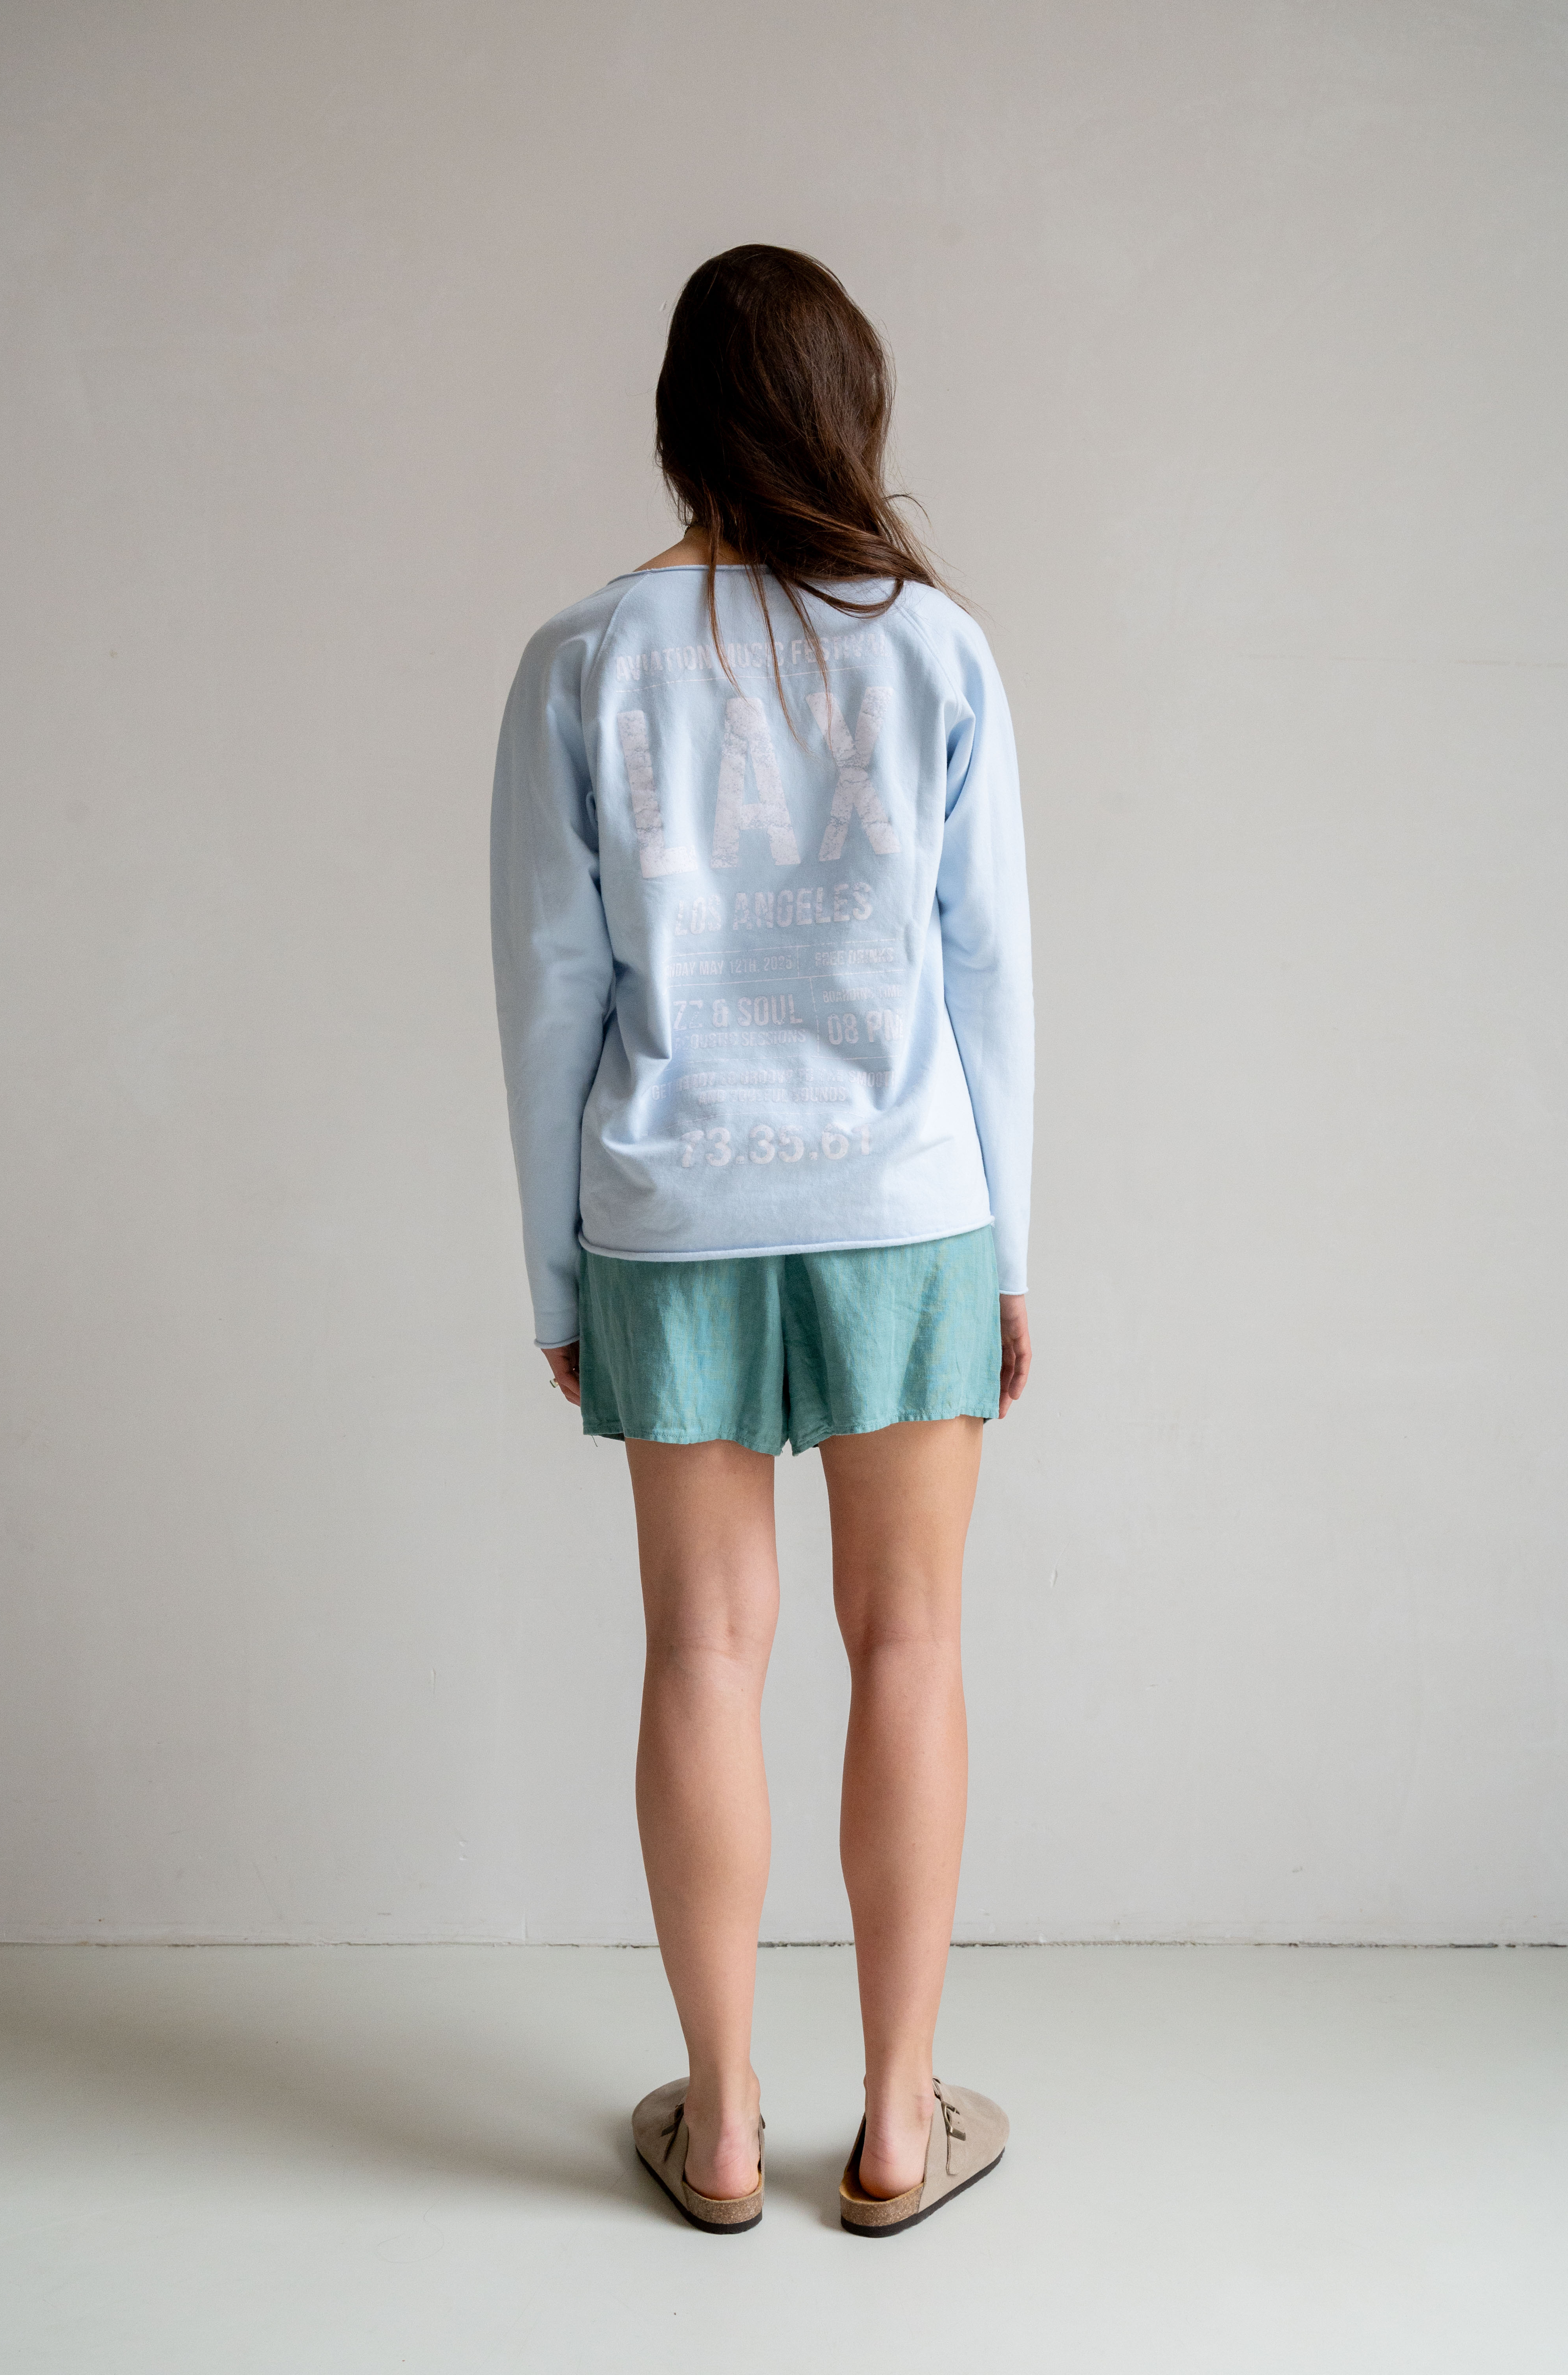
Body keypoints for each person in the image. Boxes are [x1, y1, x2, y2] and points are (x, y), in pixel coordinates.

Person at [491, 245, 1033, 2237]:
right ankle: (894, 2125)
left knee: (703, 1649)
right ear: (849, 415)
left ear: (679, 425)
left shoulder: (583, 655)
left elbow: (549, 989)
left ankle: (720, 2129)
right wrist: (1005, 1253)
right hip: (905, 1204)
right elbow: (991, 978)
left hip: (673, 1209)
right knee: (912, 1643)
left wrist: (557, 1272)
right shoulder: (936, 651)